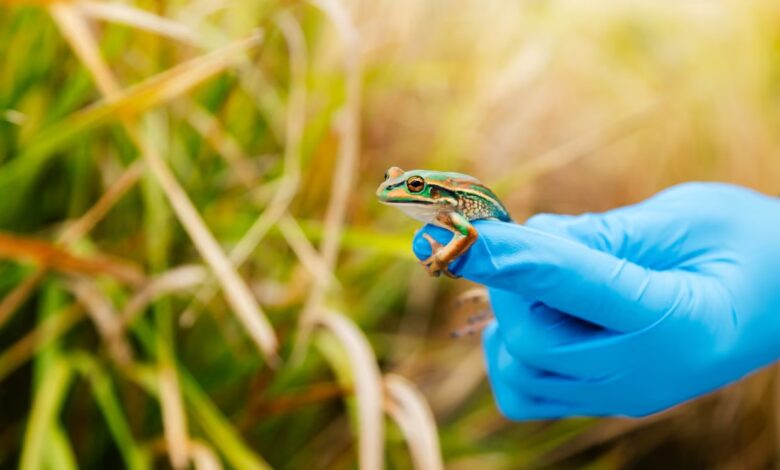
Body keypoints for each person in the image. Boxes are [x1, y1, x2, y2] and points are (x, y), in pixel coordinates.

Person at [412, 182, 780, 419]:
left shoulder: (450, 209)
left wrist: (442, 259)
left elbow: (469, 232)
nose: (396, 190)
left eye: (413, 186)